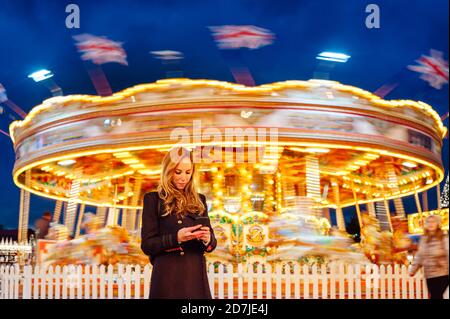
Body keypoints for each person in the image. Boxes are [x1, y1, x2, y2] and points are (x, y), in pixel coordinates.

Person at [140, 147, 217, 299]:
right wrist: (176, 238)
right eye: (178, 172)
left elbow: (212, 243)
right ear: (168, 170)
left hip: (195, 276)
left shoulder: (200, 200)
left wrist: (208, 239)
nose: (183, 178)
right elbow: (147, 245)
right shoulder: (153, 200)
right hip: (167, 277)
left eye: (188, 172)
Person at [409, 214, 449, 299]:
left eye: (433, 222)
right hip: (429, 274)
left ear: (438, 224)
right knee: (435, 296)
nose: (431, 224)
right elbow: (420, 255)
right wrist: (413, 270)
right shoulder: (424, 239)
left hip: (442, 273)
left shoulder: (443, 237)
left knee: (436, 295)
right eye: (428, 222)